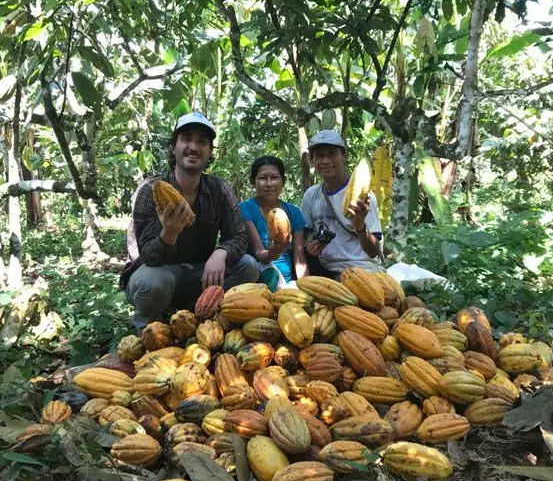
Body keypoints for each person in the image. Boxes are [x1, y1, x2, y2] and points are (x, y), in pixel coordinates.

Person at [119, 112, 259, 330]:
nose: (194, 146)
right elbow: (145, 256)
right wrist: (168, 235)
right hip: (159, 273)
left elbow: (238, 235)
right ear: (174, 147)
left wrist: (221, 252)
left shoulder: (219, 189)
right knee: (154, 282)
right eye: (186, 139)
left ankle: (205, 315)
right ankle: (148, 329)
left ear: (210, 152)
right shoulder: (150, 190)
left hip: (200, 273)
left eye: (202, 141)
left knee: (248, 266)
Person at [300, 129, 384, 278]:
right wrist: (310, 248)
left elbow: (373, 251)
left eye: (332, 154)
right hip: (327, 273)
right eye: (320, 156)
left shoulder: (362, 196)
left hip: (362, 272)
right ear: (312, 161)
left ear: (344, 156)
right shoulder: (311, 195)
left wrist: (360, 227)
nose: (325, 161)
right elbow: (303, 239)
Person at [239, 155, 308, 290]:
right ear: (253, 182)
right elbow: (259, 253)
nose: (269, 184)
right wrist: (274, 251)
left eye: (274, 177)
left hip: (288, 281)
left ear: (283, 181)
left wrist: (307, 286)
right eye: (263, 178)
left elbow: (299, 259)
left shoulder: (294, 212)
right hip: (261, 277)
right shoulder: (245, 208)